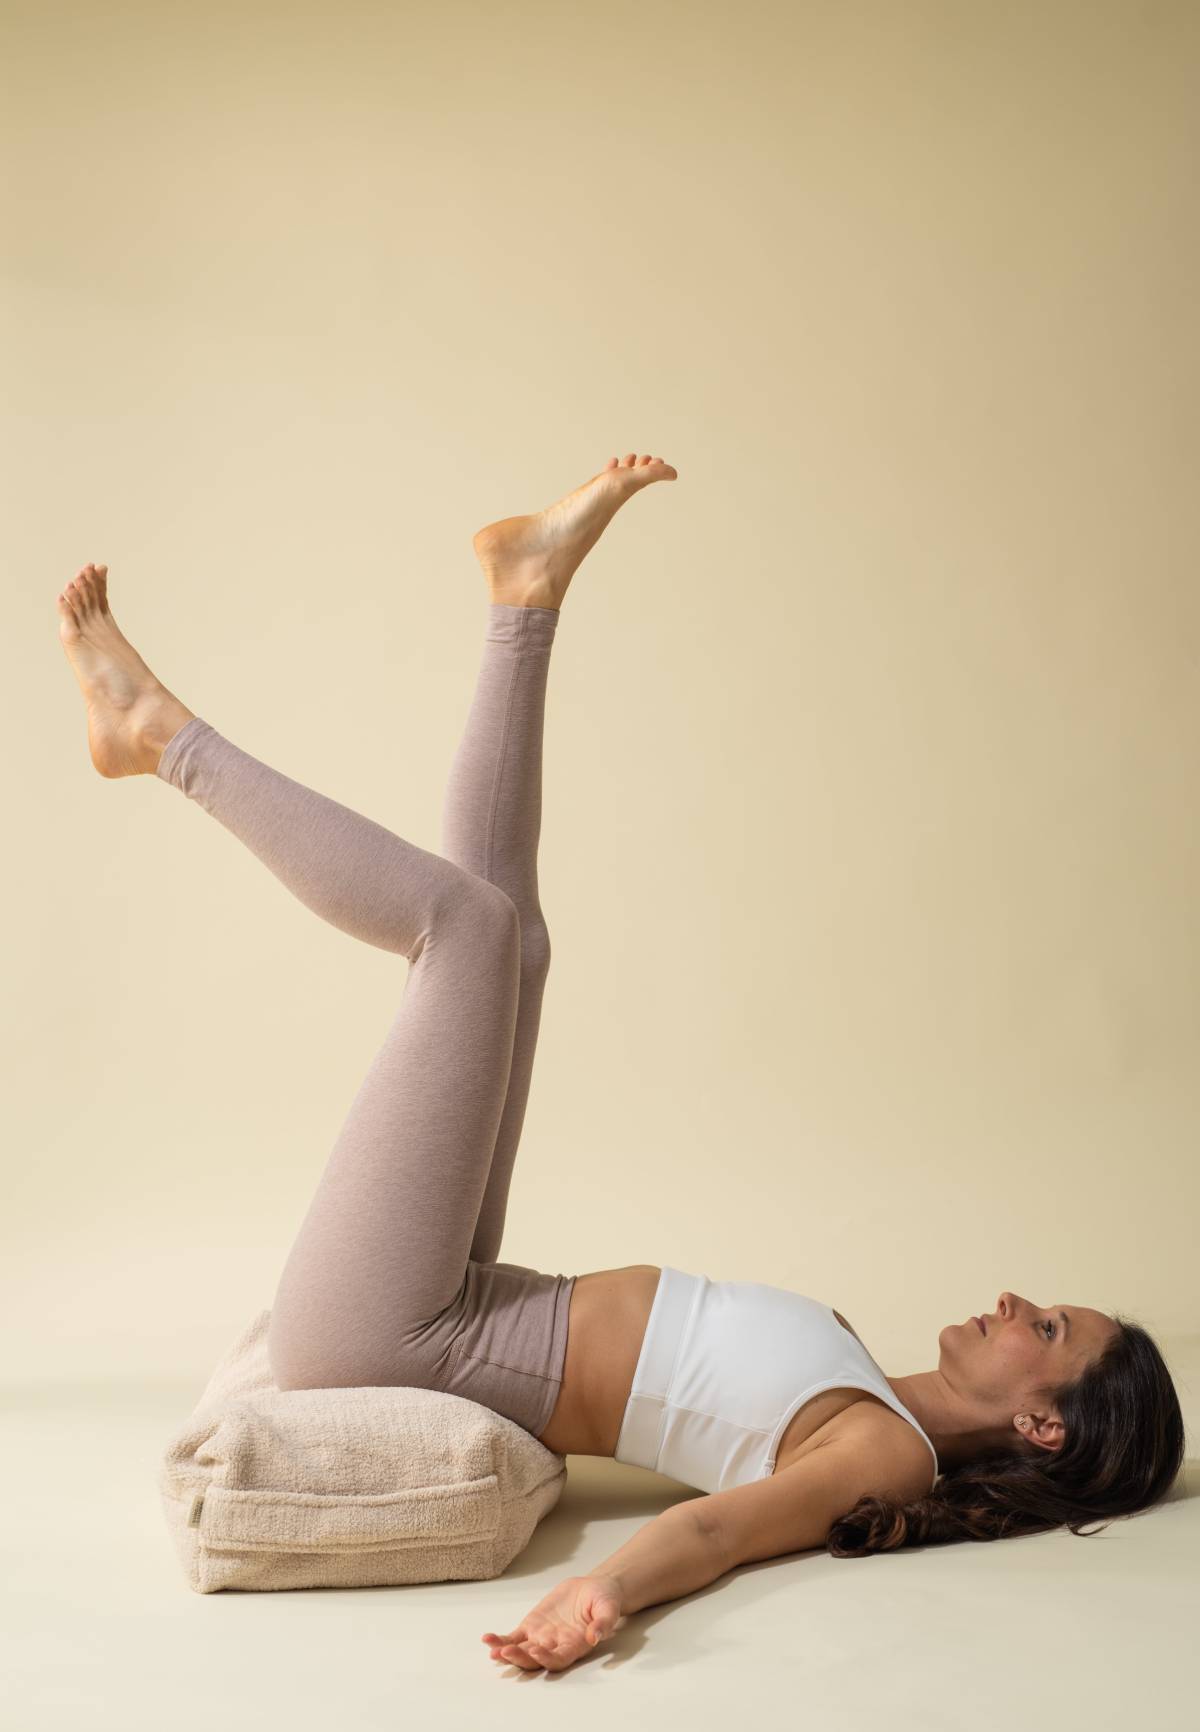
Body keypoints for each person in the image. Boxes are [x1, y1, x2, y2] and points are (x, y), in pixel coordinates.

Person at [57, 452, 1185, 1676]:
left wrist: (601, 1597)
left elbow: (718, 1526)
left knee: (468, 935)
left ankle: (158, 736)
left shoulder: (886, 1453)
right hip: (458, 1297)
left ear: (1040, 1418)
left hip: (392, 1330)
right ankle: (522, 602)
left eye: (1051, 1326)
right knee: (516, 940)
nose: (1021, 1302)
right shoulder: (867, 1379)